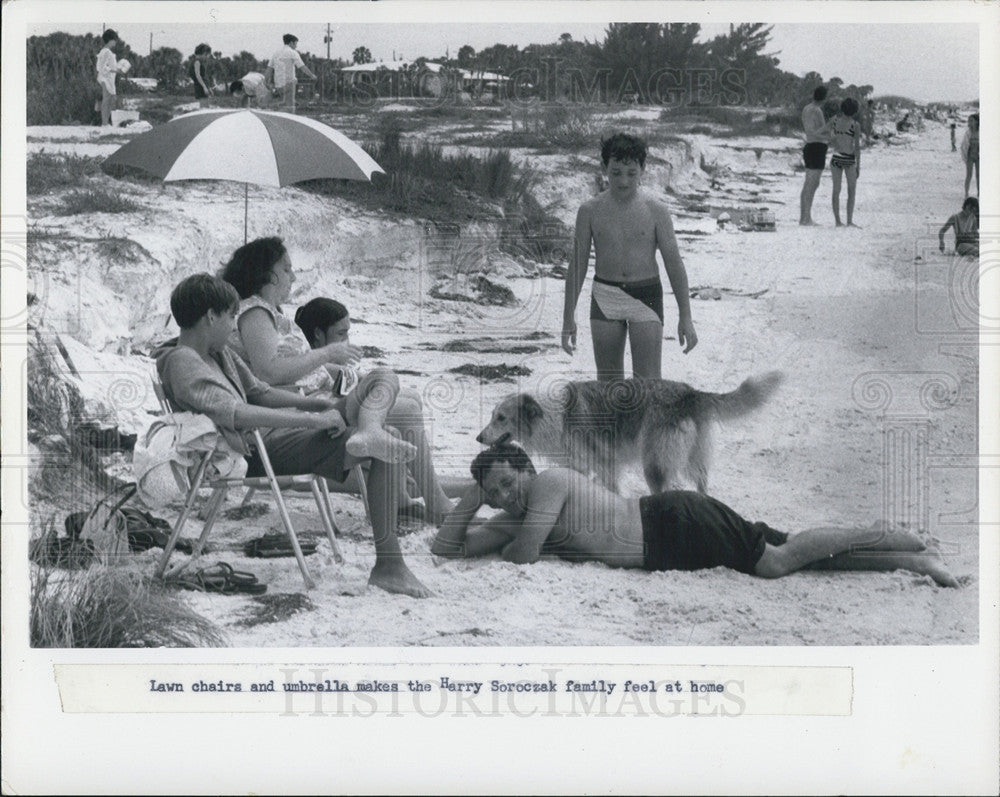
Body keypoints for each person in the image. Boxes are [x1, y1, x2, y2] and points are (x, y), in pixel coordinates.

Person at [156, 273, 432, 598]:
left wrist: (312, 404)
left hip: (276, 436)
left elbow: (259, 392)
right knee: (388, 437)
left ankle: (369, 431)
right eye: (232, 317)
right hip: (258, 450)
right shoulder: (182, 362)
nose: (234, 327)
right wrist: (312, 421)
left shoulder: (217, 354)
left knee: (381, 378)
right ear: (211, 316)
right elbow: (237, 413)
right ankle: (389, 565)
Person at [431, 443, 959, 587]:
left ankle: (881, 532)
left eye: (506, 481)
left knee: (777, 561)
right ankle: (912, 559)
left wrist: (498, 525)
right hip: (664, 546)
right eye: (495, 491)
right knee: (799, 556)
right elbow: (446, 549)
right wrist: (471, 503)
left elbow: (522, 556)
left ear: (525, 471)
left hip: (671, 522)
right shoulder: (507, 513)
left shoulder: (549, 484)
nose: (504, 493)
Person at [220, 238, 454, 524]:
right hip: (291, 418)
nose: (293, 276)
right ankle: (434, 504)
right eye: (287, 269)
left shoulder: (266, 312)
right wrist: (327, 353)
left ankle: (406, 500)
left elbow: (285, 365)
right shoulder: (255, 313)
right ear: (266, 274)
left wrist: (333, 368)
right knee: (405, 408)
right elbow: (270, 371)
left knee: (403, 395)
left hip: (307, 406)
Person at [294, 296, 457, 523]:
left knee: (408, 398)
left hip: (334, 426)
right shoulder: (310, 365)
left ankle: (426, 496)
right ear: (318, 334)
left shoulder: (316, 364)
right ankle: (432, 502)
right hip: (323, 437)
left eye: (348, 333)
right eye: (341, 334)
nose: (347, 340)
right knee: (406, 408)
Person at [562, 132, 697, 382]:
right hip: (605, 296)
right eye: (616, 173)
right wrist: (568, 317)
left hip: (646, 295)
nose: (623, 181)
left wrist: (685, 316)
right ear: (604, 168)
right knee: (610, 387)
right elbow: (578, 265)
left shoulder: (657, 211)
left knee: (648, 386)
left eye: (631, 173)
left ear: (643, 170)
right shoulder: (589, 211)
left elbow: (674, 264)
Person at [799, 86, 835, 225]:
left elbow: (810, 131)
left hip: (809, 146)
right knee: (813, 184)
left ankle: (804, 217)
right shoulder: (817, 110)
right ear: (824, 98)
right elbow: (817, 132)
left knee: (808, 183)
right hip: (817, 147)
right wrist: (830, 125)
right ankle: (806, 218)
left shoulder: (806, 108)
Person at [829, 98, 862, 228]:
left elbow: (831, 137)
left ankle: (837, 221)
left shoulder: (835, 121)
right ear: (854, 111)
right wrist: (859, 165)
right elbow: (857, 147)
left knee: (836, 190)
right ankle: (849, 221)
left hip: (836, 157)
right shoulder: (855, 125)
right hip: (849, 158)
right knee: (851, 191)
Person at [265, 33, 316, 112]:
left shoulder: (276, 53)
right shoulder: (293, 53)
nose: (296, 46)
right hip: (289, 84)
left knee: (282, 105)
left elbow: (269, 69)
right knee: (290, 108)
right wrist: (312, 75)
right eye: (295, 44)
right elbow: (302, 67)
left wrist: (265, 82)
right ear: (291, 43)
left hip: (278, 85)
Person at [96, 28, 123, 127]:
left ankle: (106, 122)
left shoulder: (107, 52)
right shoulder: (106, 52)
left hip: (109, 79)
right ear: (111, 40)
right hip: (105, 79)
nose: (115, 42)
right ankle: (104, 123)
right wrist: (115, 70)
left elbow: (109, 66)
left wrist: (117, 68)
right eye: (115, 40)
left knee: (110, 100)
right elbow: (101, 67)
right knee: (106, 100)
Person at [960, 114, 979, 197]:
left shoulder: (981, 132)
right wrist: (965, 157)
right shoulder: (968, 133)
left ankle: (979, 192)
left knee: (979, 175)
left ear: (977, 121)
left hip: (979, 156)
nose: (969, 122)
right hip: (970, 156)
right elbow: (963, 146)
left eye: (971, 120)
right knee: (969, 175)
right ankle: (966, 193)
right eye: (969, 121)